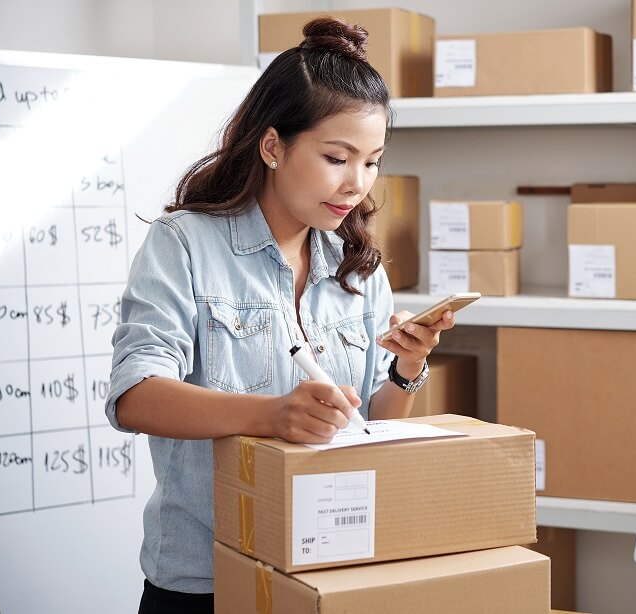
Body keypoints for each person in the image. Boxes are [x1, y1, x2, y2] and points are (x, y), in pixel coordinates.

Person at [106, 17, 454, 614]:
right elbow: (134, 396)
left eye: (372, 161)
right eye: (336, 157)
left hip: (328, 571)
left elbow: (368, 420)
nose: (356, 183)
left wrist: (407, 370)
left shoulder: (358, 267)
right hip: (204, 581)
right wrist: (272, 414)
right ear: (273, 146)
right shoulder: (184, 244)